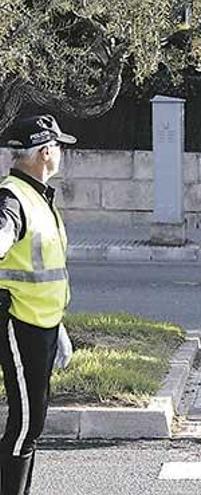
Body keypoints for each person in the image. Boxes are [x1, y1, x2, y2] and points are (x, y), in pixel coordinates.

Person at [0, 114, 76, 493]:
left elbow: (44, 269)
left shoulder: (39, 198)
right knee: (26, 423)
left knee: (32, 424)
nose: (60, 152)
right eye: (58, 146)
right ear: (45, 152)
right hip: (18, 321)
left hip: (43, 324)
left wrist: (59, 326)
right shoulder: (12, 199)